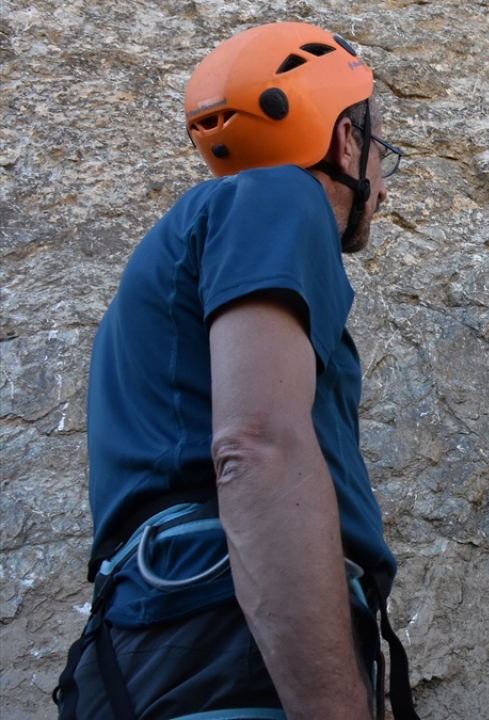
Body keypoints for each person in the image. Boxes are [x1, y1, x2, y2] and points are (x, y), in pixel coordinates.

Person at [54, 22, 419, 719]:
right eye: (380, 150)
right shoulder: (280, 198)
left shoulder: (199, 236)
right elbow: (257, 447)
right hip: (227, 637)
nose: (381, 181)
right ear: (345, 139)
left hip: (168, 632)